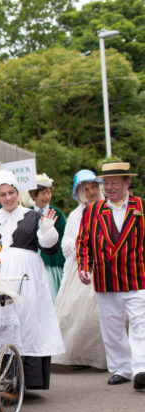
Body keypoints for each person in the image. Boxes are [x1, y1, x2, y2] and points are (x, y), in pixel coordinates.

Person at [0, 170, 65, 390]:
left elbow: (49, 247)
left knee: (27, 319)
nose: (8, 197)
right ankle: (4, 378)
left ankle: (27, 380)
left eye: (12, 192)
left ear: (18, 193)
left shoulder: (33, 216)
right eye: (3, 194)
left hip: (27, 276)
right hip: (0, 273)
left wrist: (47, 231)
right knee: (3, 322)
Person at [76, 162, 145, 390]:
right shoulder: (93, 210)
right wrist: (84, 266)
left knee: (140, 324)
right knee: (112, 326)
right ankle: (122, 368)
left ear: (127, 183)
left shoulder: (141, 206)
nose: (110, 187)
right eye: (106, 182)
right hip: (106, 278)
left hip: (137, 275)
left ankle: (141, 370)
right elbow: (83, 242)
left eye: (115, 182)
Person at [53, 170, 107, 370]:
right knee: (78, 316)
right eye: (87, 189)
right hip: (82, 268)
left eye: (94, 187)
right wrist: (83, 246)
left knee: (107, 314)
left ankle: (109, 357)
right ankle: (81, 357)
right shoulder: (76, 215)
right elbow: (66, 243)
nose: (92, 192)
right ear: (80, 192)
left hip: (108, 265)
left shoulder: (108, 207)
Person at [29, 174, 67, 299]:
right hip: (32, 262)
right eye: (43, 193)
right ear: (34, 195)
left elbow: (63, 238)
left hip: (51, 263)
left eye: (49, 192)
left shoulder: (57, 214)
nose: (47, 196)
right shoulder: (27, 213)